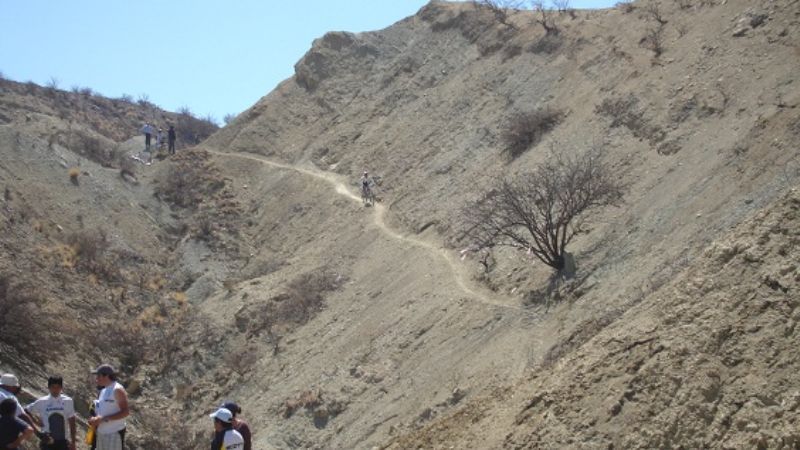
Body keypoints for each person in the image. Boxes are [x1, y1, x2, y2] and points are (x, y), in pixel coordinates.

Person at [26, 376, 77, 450]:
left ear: (61, 388)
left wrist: (73, 442)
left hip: (63, 441)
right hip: (47, 440)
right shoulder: (42, 401)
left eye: (58, 387)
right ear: (49, 387)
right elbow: (26, 411)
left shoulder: (68, 401)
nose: (55, 390)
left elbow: (72, 421)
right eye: (53, 387)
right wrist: (35, 422)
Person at [88, 365, 128, 450]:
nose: (96, 379)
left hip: (113, 434)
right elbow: (102, 412)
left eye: (98, 376)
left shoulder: (117, 389)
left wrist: (104, 418)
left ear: (106, 376)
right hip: (101, 434)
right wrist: (95, 419)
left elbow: (125, 412)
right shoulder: (103, 391)